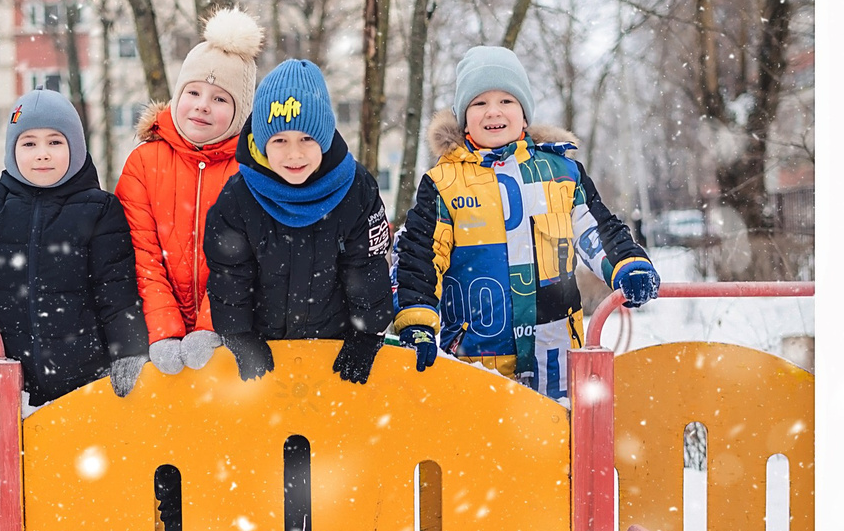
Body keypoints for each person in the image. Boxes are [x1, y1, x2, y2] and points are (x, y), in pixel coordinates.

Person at [390, 45, 660, 401]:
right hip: (477, 362)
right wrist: (417, 319)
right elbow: (420, 259)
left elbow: (598, 229)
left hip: (557, 361)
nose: (493, 112)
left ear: (524, 112)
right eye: (479, 103)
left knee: (560, 451)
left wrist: (629, 265)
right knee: (484, 453)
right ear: (463, 116)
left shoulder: (561, 173)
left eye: (506, 101)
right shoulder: (444, 183)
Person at [0, 92, 146, 406]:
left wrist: (128, 351)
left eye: (55, 142)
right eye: (29, 143)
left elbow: (116, 290)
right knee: (11, 456)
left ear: (76, 147)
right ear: (12, 150)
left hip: (84, 378)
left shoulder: (98, 210)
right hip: (8, 378)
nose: (42, 154)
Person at [203, 59, 395, 393]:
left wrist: (366, 334)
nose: (295, 154)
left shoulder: (355, 189)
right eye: (279, 141)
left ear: (324, 136)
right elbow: (229, 274)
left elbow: (366, 266)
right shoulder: (238, 197)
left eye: (307, 138)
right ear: (262, 144)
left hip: (333, 347)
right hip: (267, 348)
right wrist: (240, 336)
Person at [113, 9, 265, 384]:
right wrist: (165, 328)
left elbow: (245, 259)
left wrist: (211, 326)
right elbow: (141, 255)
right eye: (193, 92)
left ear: (240, 112)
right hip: (156, 337)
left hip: (232, 335)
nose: (202, 105)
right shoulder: (143, 163)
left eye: (219, 99)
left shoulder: (251, 171)